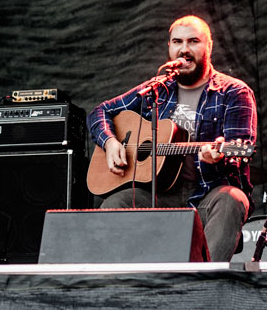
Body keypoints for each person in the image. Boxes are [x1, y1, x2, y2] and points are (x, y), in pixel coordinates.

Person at [87, 15, 257, 261]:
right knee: (116, 203)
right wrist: (110, 142)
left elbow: (238, 154)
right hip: (159, 193)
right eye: (177, 42)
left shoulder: (234, 92)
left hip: (206, 193)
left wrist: (217, 157)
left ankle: (201, 285)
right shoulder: (157, 89)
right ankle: (118, 287)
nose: (184, 50)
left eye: (193, 41)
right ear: (169, 47)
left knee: (233, 199)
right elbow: (100, 112)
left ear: (208, 46)